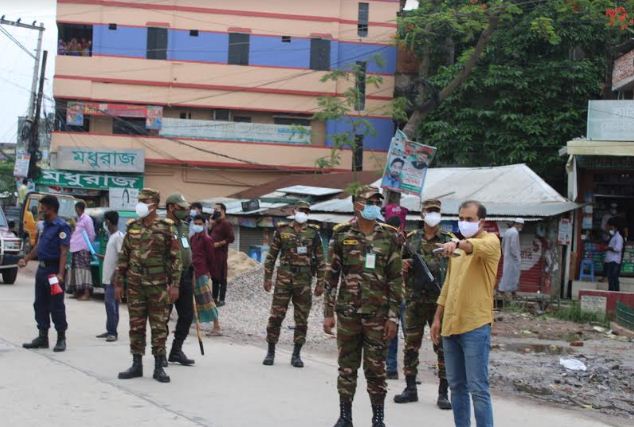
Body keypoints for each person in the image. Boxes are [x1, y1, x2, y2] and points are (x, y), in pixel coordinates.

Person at [324, 187, 402, 427]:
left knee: (376, 368)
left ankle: (378, 418)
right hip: (348, 313)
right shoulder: (341, 235)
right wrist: (328, 313)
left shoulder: (389, 237)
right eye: (370, 201)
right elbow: (331, 276)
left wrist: (393, 317)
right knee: (347, 366)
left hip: (378, 316)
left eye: (378, 201)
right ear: (357, 205)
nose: (375, 205)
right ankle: (345, 416)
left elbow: (396, 279)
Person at [431, 200, 501, 427]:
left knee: (478, 389)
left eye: (469, 219)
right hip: (451, 324)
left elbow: (472, 247)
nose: (464, 222)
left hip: (475, 325)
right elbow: (449, 284)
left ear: (482, 221)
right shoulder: (456, 247)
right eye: (461, 218)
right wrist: (437, 318)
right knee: (456, 387)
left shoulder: (491, 242)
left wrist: (458, 244)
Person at [116, 188, 182, 383]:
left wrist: (175, 285)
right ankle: (136, 364)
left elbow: (176, 259)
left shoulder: (166, 228)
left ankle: (159, 366)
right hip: (135, 285)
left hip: (158, 285)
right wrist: (119, 283)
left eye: (144, 202)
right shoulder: (133, 227)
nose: (140, 205)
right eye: (139, 201)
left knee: (159, 326)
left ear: (154, 205)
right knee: (136, 325)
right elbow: (124, 256)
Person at [393, 199, 453, 410]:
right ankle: (410, 388)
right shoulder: (412, 240)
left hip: (440, 303)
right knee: (411, 346)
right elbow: (396, 263)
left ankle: (443, 392)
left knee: (443, 348)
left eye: (436, 211)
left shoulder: (448, 240)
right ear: (422, 214)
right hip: (415, 301)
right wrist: (403, 264)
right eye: (429, 211)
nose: (432, 215)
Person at [262, 201, 325, 368]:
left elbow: (320, 259)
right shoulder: (282, 230)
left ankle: (296, 354)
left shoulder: (313, 233)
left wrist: (321, 281)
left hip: (304, 281)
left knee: (301, 318)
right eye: (300, 210)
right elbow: (271, 256)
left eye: (306, 211)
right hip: (284, 279)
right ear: (293, 211)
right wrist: (267, 277)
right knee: (276, 316)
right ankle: (270, 351)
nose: (303, 213)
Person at [18, 195, 71, 352]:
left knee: (56, 305)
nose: (40, 210)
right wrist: (26, 259)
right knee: (40, 303)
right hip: (42, 271)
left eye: (43, 207)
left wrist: (60, 274)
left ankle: (61, 338)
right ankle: (43, 337)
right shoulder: (45, 226)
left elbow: (63, 252)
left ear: (52, 208)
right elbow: (39, 247)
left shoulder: (62, 226)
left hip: (54, 272)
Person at [165, 193, 196, 366]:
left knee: (187, 315)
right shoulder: (163, 227)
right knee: (163, 317)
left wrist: (192, 273)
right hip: (168, 277)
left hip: (185, 275)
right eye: (182, 208)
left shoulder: (184, 227)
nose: (186, 211)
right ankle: (160, 353)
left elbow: (187, 250)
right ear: (171, 208)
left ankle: (176, 351)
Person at [96, 211, 124, 342]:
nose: (105, 224)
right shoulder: (112, 237)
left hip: (113, 278)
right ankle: (109, 330)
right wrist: (103, 257)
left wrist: (116, 276)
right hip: (107, 277)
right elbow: (112, 256)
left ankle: (113, 332)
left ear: (108, 221)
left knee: (111, 304)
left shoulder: (118, 237)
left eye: (105, 221)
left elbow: (121, 257)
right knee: (110, 305)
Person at [190, 215, 221, 335]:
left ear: (204, 225)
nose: (197, 226)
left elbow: (211, 258)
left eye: (200, 224)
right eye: (195, 223)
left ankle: (217, 326)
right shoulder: (193, 238)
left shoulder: (207, 239)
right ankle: (193, 324)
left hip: (202, 272)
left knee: (207, 299)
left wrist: (210, 273)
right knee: (195, 300)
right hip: (193, 272)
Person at [69, 201, 96, 300]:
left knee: (84, 270)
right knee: (76, 270)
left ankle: (86, 292)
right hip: (75, 248)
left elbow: (91, 234)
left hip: (83, 248)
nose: (76, 211)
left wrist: (87, 246)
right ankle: (77, 291)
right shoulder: (78, 220)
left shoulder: (87, 219)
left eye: (76, 209)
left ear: (79, 209)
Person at [210, 203, 235, 306]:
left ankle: (222, 299)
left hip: (221, 254)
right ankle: (214, 298)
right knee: (214, 276)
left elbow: (231, 238)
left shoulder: (226, 223)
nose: (215, 211)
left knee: (222, 276)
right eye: (214, 209)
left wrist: (219, 244)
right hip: (213, 254)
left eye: (217, 209)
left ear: (223, 211)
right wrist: (210, 224)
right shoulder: (215, 223)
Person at [498, 218, 524, 297]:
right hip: (513, 258)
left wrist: (505, 253)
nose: (521, 227)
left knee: (507, 273)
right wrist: (517, 257)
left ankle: (509, 290)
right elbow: (513, 246)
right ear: (518, 224)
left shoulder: (507, 231)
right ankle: (504, 290)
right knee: (514, 275)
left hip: (507, 257)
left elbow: (502, 244)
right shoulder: (515, 233)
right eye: (521, 225)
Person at [605, 218, 623, 292]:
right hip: (610, 260)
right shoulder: (613, 236)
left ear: (614, 227)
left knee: (613, 278)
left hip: (614, 261)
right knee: (610, 278)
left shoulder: (618, 237)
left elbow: (617, 249)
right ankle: (611, 292)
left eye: (610, 227)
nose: (609, 228)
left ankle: (615, 292)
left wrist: (608, 248)